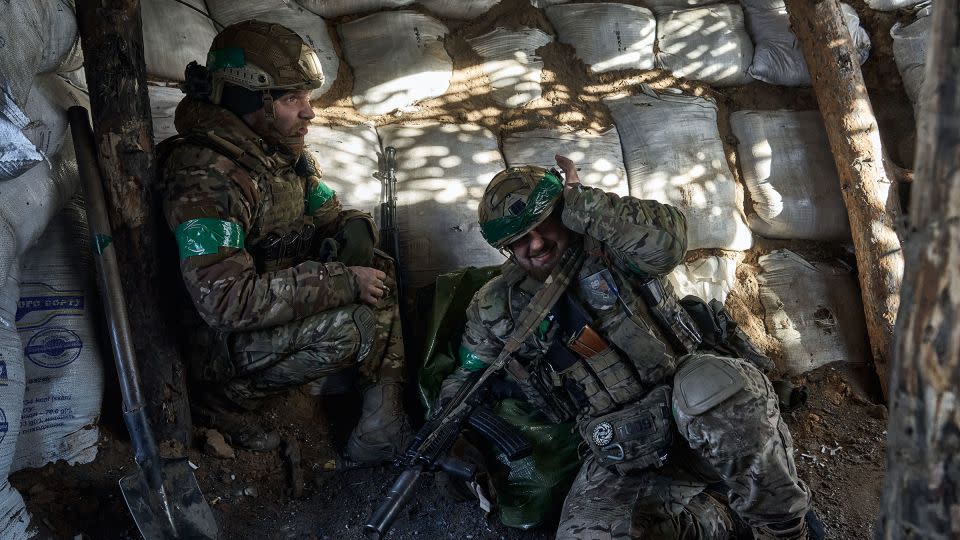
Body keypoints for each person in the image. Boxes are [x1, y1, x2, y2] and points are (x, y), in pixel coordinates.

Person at [438, 155, 819, 539]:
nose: (535, 244)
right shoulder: (497, 306)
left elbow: (669, 242)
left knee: (708, 388)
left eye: (542, 225)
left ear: (561, 211)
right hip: (623, 446)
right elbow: (469, 375)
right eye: (518, 240)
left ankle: (783, 530)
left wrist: (584, 204)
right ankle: (722, 520)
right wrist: (446, 435)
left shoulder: (610, 243)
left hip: (702, 410)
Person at [159, 20, 410, 463]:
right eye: (292, 98)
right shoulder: (206, 179)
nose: (309, 112)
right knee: (352, 325)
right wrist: (342, 281)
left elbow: (329, 213)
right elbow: (225, 302)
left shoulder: (284, 158)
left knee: (380, 267)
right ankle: (228, 402)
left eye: (307, 97)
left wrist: (355, 230)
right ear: (247, 98)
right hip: (220, 347)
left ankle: (382, 423)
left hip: (270, 312)